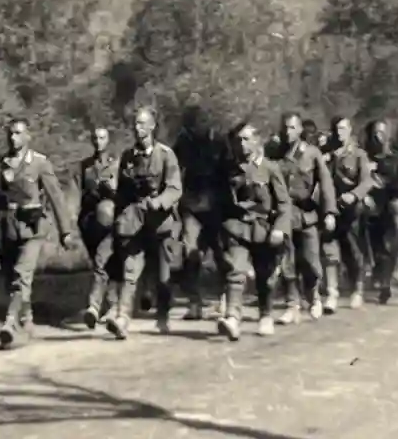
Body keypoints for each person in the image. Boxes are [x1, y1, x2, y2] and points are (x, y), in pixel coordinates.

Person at [0, 117, 75, 348]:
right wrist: (0, 189)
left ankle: (9, 324)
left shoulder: (39, 163)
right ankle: (26, 317)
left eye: (19, 133)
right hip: (6, 227)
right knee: (9, 277)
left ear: (28, 136)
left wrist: (65, 231)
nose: (13, 138)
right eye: (10, 133)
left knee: (22, 275)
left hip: (32, 228)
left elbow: (56, 197)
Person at [107, 106, 183, 340]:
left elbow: (175, 188)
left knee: (162, 275)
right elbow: (122, 192)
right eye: (135, 123)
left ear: (152, 126)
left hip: (160, 222)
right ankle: (122, 318)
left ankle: (163, 317)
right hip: (135, 220)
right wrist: (119, 220)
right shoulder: (128, 157)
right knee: (130, 270)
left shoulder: (166, 155)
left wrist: (159, 202)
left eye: (142, 123)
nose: (137, 127)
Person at [216, 120, 292, 340]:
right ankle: (233, 318)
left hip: (264, 229)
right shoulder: (229, 169)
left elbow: (284, 203)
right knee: (236, 270)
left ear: (257, 141)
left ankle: (265, 315)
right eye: (238, 140)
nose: (241, 144)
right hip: (238, 227)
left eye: (246, 139)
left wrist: (280, 229)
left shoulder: (270, 168)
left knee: (265, 276)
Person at [269, 111, 336, 324]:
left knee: (311, 261)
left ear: (299, 130)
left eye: (292, 127)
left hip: (307, 215)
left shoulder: (312, 153)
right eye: (284, 127)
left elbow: (325, 184)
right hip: (284, 214)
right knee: (286, 261)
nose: (287, 132)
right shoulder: (274, 153)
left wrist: (329, 212)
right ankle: (292, 305)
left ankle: (314, 296)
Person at [174, 107, 229, 321]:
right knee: (191, 252)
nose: (198, 126)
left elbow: (228, 173)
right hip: (192, 206)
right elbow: (174, 169)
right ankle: (194, 302)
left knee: (221, 253)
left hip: (216, 206)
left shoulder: (220, 143)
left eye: (202, 121)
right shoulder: (183, 143)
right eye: (195, 123)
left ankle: (225, 299)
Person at [326, 116, 374, 309]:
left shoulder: (359, 155)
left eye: (343, 129)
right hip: (331, 207)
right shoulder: (328, 154)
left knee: (352, 250)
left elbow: (367, 181)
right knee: (329, 249)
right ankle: (332, 291)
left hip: (351, 209)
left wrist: (354, 195)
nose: (339, 133)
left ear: (350, 130)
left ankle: (357, 289)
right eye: (336, 129)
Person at [76, 127, 120, 329]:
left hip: (110, 219)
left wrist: (111, 190)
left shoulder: (116, 163)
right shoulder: (85, 165)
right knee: (99, 263)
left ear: (108, 140)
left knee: (102, 262)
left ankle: (93, 307)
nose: (98, 141)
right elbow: (81, 192)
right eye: (95, 137)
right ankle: (112, 305)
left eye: (102, 138)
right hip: (90, 220)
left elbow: (123, 191)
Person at [363, 119, 398, 304]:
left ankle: (385, 284)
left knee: (389, 246)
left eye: (381, 133)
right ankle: (377, 273)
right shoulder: (364, 157)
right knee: (376, 246)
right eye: (375, 133)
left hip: (391, 205)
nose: (378, 137)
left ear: (388, 135)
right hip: (371, 206)